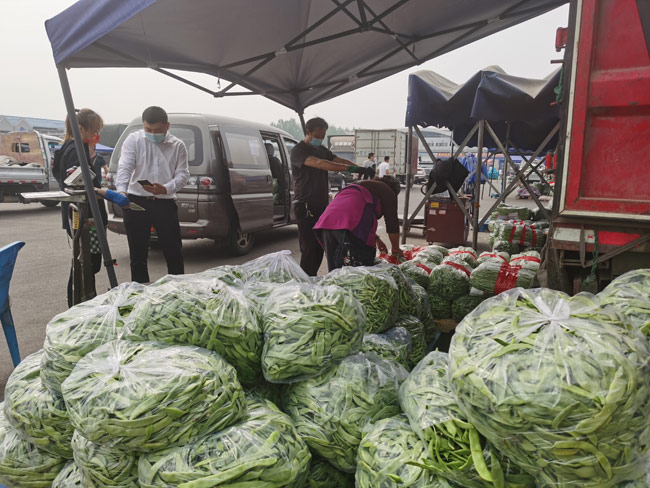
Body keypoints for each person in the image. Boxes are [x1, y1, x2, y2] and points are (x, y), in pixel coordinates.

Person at [116, 106, 190, 283]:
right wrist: (121, 191)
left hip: (165, 202)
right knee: (137, 252)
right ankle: (140, 291)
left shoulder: (178, 145)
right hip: (136, 202)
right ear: (143, 126)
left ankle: (178, 290)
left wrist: (165, 188)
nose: (152, 133)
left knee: (173, 251)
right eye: (148, 130)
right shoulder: (133, 140)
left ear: (167, 126)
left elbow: (183, 174)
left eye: (157, 130)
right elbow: (125, 167)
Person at [290, 117, 361, 276]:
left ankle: (312, 280)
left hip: (321, 204)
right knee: (308, 248)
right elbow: (321, 163)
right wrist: (349, 169)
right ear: (308, 132)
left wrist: (359, 167)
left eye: (323, 136)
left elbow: (336, 159)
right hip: (305, 205)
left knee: (320, 246)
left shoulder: (321, 149)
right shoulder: (298, 151)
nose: (320, 139)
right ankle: (305, 282)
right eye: (318, 135)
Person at [53, 108, 109, 306]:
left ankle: (83, 300)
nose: (96, 136)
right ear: (80, 129)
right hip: (85, 215)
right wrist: (106, 193)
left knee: (85, 262)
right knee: (86, 262)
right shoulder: (76, 149)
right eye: (94, 131)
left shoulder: (72, 147)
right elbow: (80, 185)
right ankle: (80, 303)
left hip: (80, 214)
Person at [314, 176, 404, 271]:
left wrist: (377, 239)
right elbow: (392, 223)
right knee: (360, 271)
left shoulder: (358, 184)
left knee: (335, 271)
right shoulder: (387, 190)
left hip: (326, 224)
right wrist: (395, 248)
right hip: (348, 227)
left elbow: (355, 210)